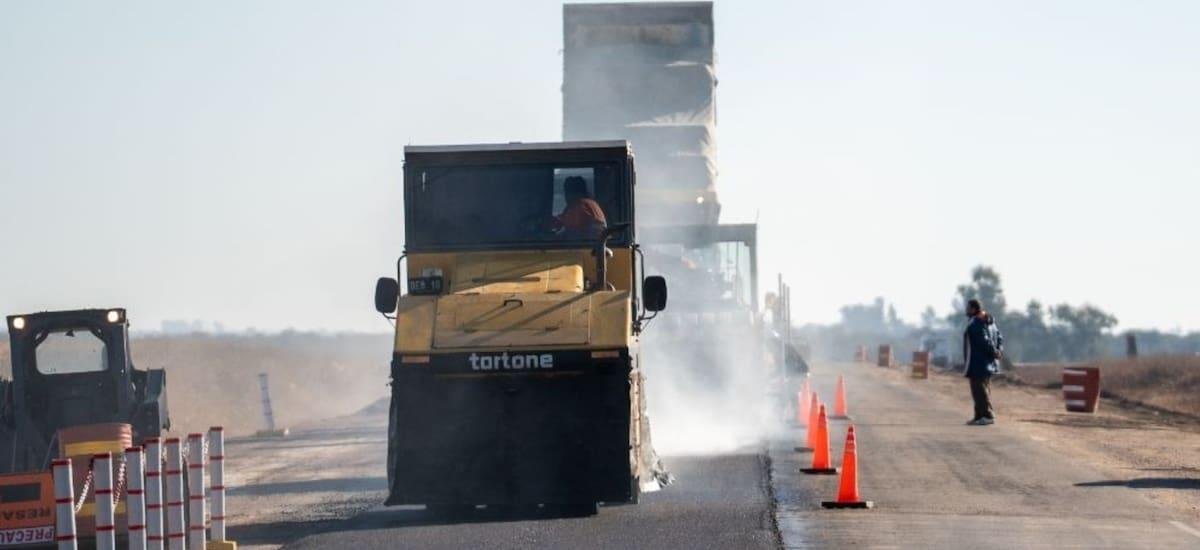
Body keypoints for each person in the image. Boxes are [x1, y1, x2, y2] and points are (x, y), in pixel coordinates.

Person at [963, 298, 1004, 425]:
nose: (966, 310)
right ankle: (979, 416)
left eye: (968, 308)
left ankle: (987, 415)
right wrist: (998, 350)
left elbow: (984, 341)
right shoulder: (990, 322)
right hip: (987, 362)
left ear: (974, 309)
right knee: (980, 389)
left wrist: (994, 351)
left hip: (978, 362)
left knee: (979, 390)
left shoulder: (976, 323)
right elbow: (999, 337)